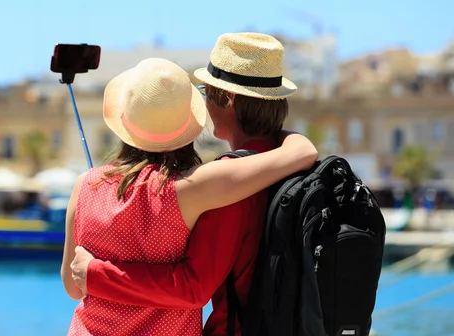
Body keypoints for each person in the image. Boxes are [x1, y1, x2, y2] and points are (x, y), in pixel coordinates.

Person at [62, 55, 315, 335]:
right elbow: (303, 153)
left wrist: (95, 273)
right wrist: (282, 133)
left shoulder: (84, 185)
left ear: (124, 119)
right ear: (188, 121)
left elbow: (73, 286)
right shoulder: (193, 187)